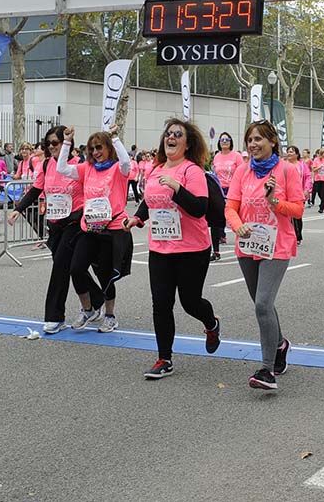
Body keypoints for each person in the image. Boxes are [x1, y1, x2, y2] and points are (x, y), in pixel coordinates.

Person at [125, 119, 220, 380]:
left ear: (187, 143)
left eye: (178, 134)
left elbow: (199, 208)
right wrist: (137, 218)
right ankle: (164, 358)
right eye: (168, 133)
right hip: (160, 248)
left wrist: (177, 188)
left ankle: (211, 323)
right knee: (161, 304)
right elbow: (150, 201)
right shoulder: (156, 170)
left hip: (192, 248)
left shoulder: (193, 171)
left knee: (190, 302)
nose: (172, 137)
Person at [227, 121, 304, 390]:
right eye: (249, 139)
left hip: (277, 246)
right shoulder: (241, 171)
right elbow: (231, 207)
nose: (252, 144)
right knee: (264, 306)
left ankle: (266, 369)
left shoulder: (287, 170)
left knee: (261, 304)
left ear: (273, 142)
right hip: (248, 246)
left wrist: (274, 202)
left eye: (258, 139)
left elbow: (297, 210)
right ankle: (280, 344)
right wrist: (238, 226)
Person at [10, 125, 94, 334]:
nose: (51, 147)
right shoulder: (46, 165)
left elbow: (92, 190)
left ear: (66, 142)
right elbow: (36, 189)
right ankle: (98, 300)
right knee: (71, 267)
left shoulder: (78, 165)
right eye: (48, 143)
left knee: (59, 269)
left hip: (74, 221)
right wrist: (18, 209)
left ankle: (55, 316)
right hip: (54, 223)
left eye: (55, 143)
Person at [57, 125, 133, 334]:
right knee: (76, 268)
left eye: (99, 147)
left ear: (108, 148)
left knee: (105, 275)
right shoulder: (86, 168)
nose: (95, 152)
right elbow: (61, 168)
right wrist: (66, 141)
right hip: (89, 228)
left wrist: (116, 137)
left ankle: (110, 315)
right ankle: (88, 309)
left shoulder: (118, 169)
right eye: (91, 149)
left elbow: (126, 162)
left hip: (112, 229)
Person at [210, 132, 241, 261]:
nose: (224, 142)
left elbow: (242, 172)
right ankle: (216, 251)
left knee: (236, 217)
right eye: (222, 140)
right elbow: (213, 172)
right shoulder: (216, 156)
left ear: (231, 141)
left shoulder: (236, 156)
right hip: (218, 189)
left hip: (233, 189)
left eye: (227, 139)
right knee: (215, 219)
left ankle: (244, 245)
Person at [284, 145, 306, 244]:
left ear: (297, 154)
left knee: (297, 216)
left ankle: (298, 236)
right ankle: (289, 235)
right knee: (287, 216)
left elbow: (308, 177)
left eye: (292, 151)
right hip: (286, 194)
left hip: (298, 193)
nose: (289, 153)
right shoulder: (283, 164)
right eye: (288, 151)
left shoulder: (301, 165)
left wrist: (307, 190)